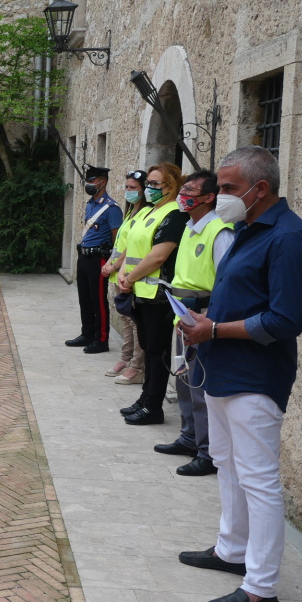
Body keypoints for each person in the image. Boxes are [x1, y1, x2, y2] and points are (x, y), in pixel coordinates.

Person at [178, 146, 302, 602]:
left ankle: (261, 587)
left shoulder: (289, 237)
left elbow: (285, 319)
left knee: (259, 479)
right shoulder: (245, 229)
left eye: (228, 188)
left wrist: (214, 329)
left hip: (256, 378)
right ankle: (231, 549)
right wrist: (201, 317)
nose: (219, 195)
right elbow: (239, 296)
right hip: (222, 369)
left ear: (260, 189)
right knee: (227, 464)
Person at [154, 170, 233, 477]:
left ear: (209, 197)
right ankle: (189, 437)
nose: (182, 195)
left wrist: (209, 321)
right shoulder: (189, 226)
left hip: (202, 318)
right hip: (183, 316)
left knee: (200, 387)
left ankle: (207, 452)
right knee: (184, 381)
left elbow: (226, 282)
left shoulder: (219, 231)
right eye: (183, 189)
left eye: (189, 190)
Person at [118, 162, 185, 425]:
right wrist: (123, 274)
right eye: (149, 183)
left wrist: (129, 278)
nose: (149, 188)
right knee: (148, 348)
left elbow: (158, 256)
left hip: (158, 295)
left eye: (156, 184)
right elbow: (131, 247)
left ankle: (153, 406)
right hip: (140, 291)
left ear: (172, 186)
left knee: (158, 352)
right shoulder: (148, 211)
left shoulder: (175, 214)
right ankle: (145, 398)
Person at [65, 166, 122, 354]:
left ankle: (102, 339)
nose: (88, 184)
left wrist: (111, 262)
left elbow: (117, 239)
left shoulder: (111, 208)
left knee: (98, 301)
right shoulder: (90, 204)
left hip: (98, 258)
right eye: (87, 181)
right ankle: (87, 334)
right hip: (84, 256)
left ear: (102, 182)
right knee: (85, 298)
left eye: (92, 180)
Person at [102, 170, 149, 384]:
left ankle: (137, 366)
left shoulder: (145, 213)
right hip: (119, 274)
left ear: (143, 190)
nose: (128, 191)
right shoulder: (131, 212)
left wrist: (114, 265)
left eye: (133, 188)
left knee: (134, 321)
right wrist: (111, 265)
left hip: (130, 275)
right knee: (125, 319)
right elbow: (120, 243)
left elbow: (131, 248)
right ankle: (125, 358)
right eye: (127, 187)